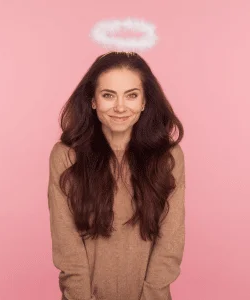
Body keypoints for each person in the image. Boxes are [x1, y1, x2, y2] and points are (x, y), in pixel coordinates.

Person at [47, 51, 186, 300]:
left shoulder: (169, 157)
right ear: (93, 100)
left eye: (131, 95)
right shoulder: (66, 156)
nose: (120, 107)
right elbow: (67, 246)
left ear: (144, 102)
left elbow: (170, 243)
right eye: (108, 95)